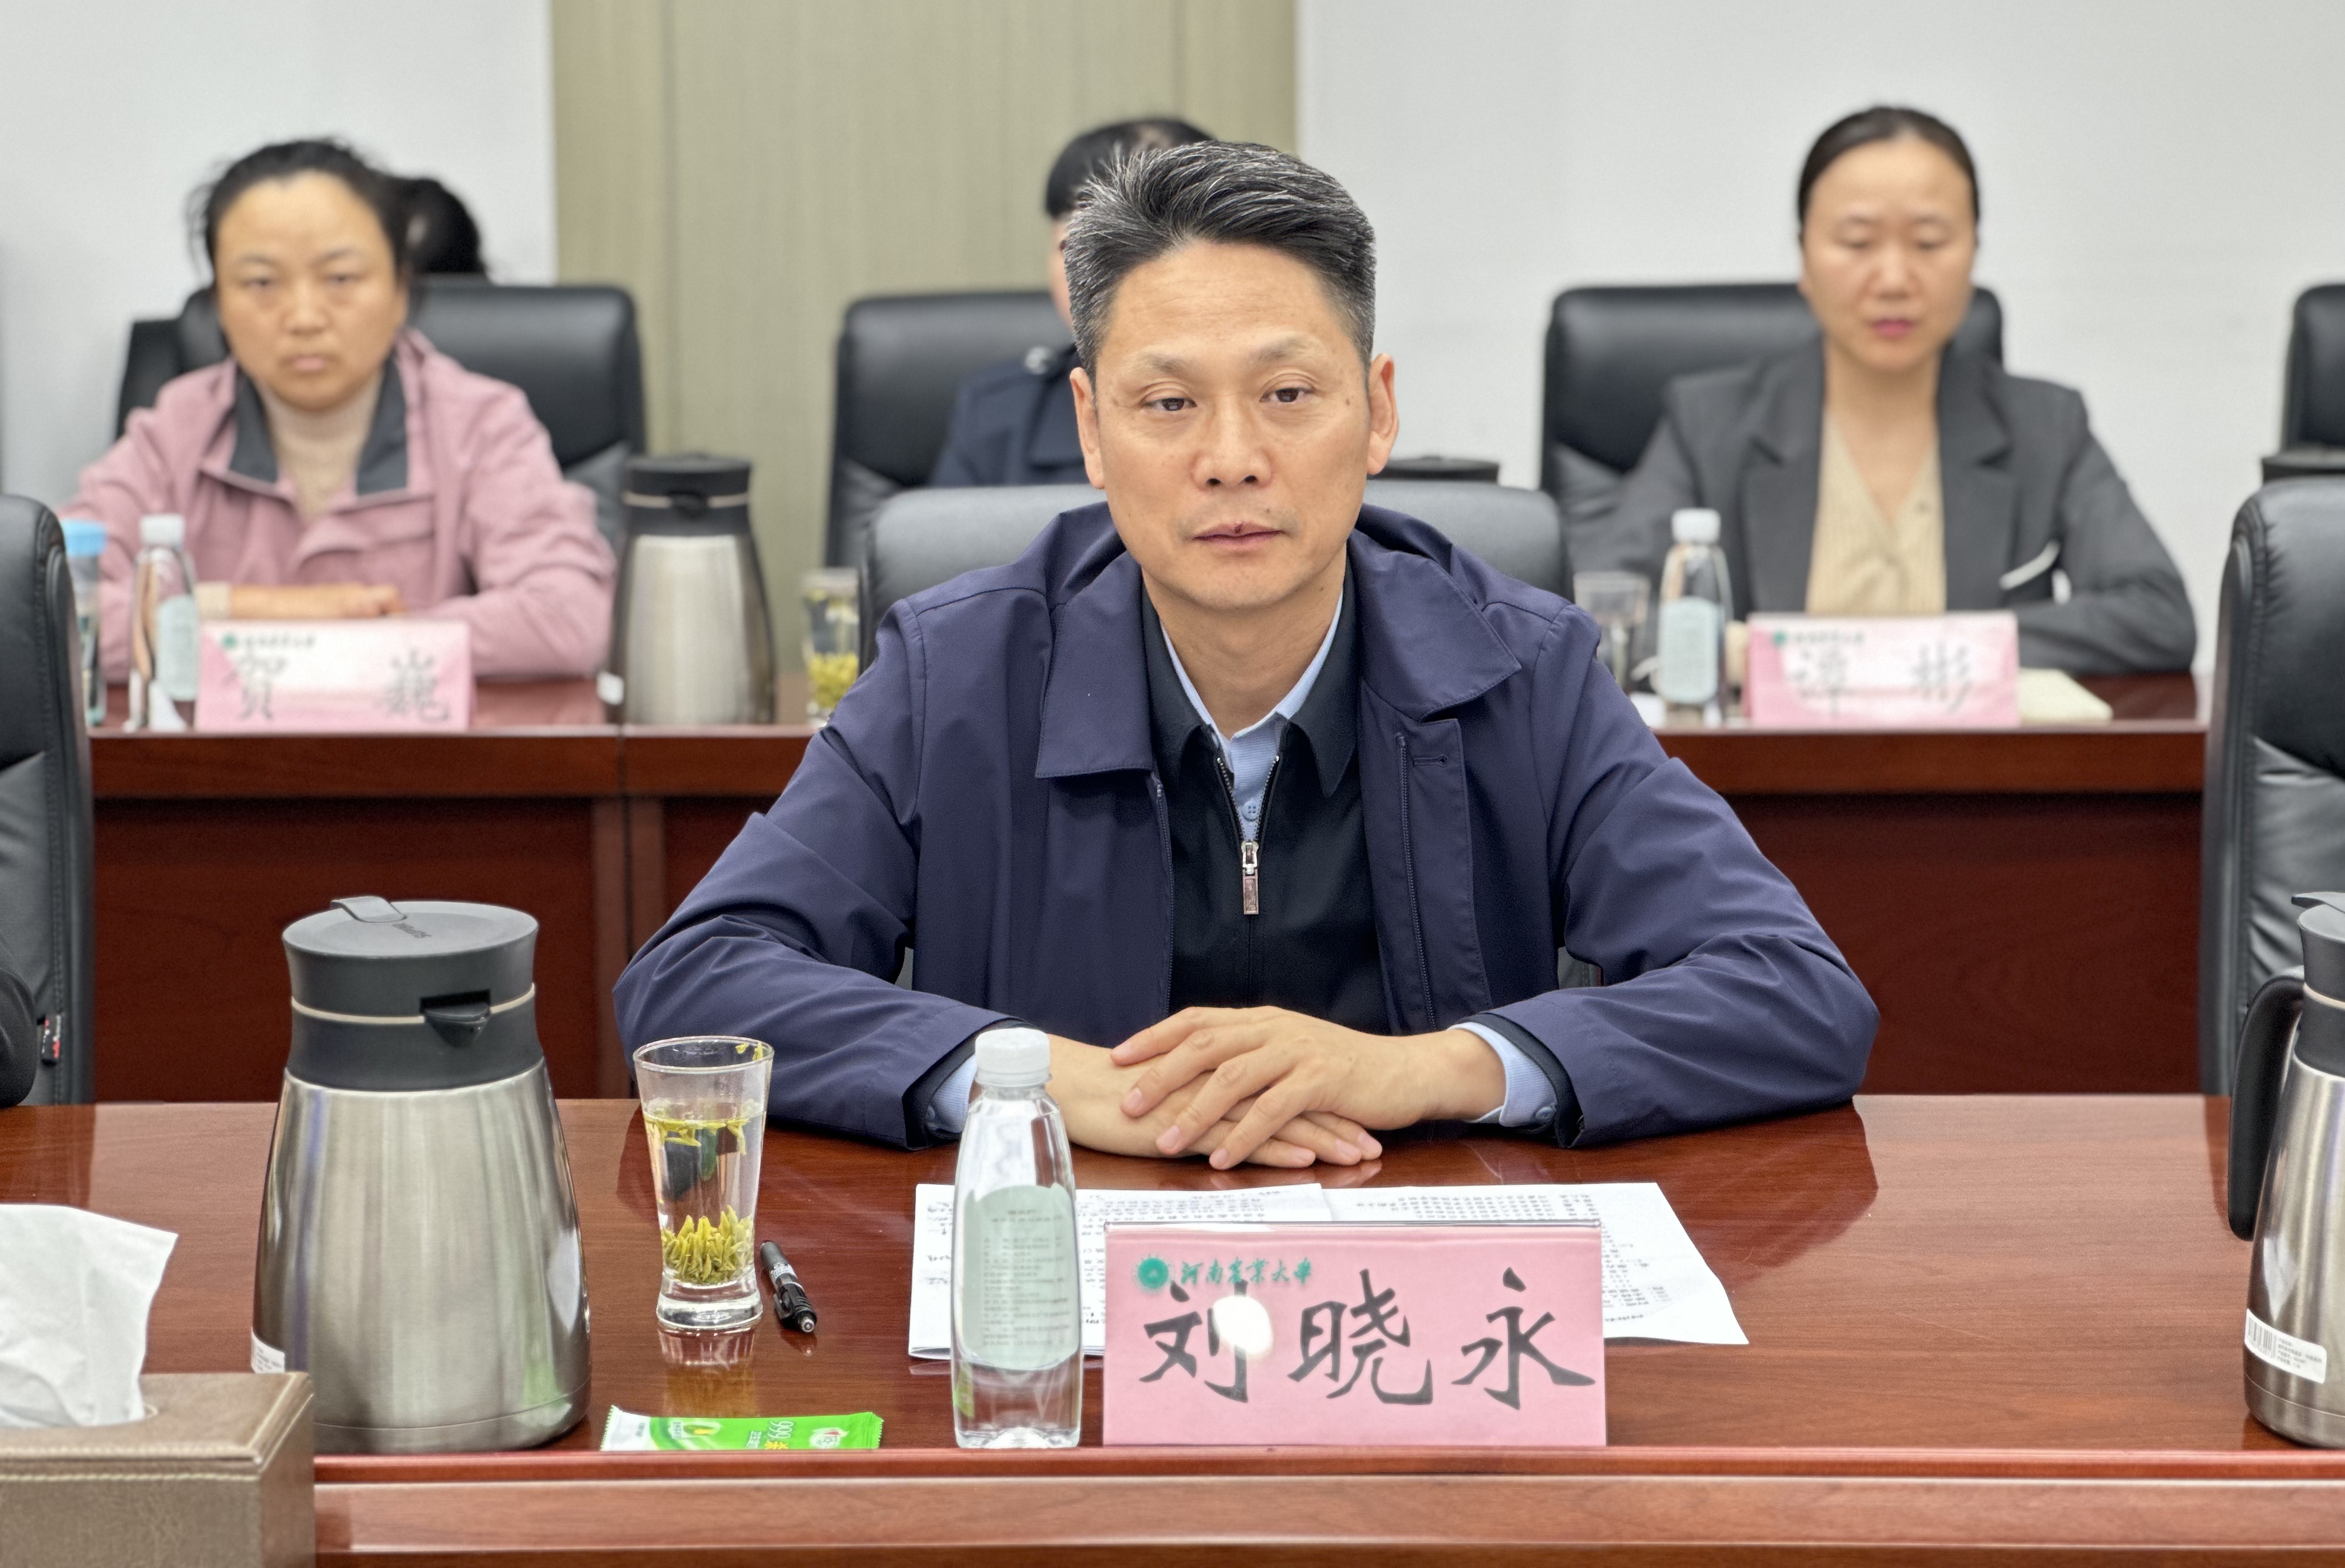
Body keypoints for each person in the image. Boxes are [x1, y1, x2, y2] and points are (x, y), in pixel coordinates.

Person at [617, 141, 1876, 1165]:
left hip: (1413, 1296)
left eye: (1287, 394)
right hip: (1067, 1292)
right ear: (1091, 430)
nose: (1230, 458)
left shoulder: (1518, 668)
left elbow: (1794, 990)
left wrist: (1426, 1070)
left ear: (1377, 411)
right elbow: (693, 985)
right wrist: (1047, 1083)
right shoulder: (961, 670)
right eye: (1168, 403)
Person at [1582, 106, 2194, 674]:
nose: (1895, 279)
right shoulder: (1710, 423)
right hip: (1769, 758)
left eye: (1929, 243)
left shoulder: (2045, 426)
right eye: (1857, 242)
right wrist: (1745, 656)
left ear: (1974, 252)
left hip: (1975, 757)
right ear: (1804, 256)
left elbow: (2158, 615)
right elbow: (1600, 619)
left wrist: (1923, 653)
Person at [63, 138, 613, 679]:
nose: (304, 317)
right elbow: (47, 609)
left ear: (400, 290)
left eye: (341, 278)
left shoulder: (480, 423)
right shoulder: (179, 427)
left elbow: (568, 616)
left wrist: (333, 642)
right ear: (218, 306)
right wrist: (265, 610)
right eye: (261, 282)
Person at [928, 116, 1213, 487]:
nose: (1102, 274)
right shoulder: (996, 414)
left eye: (1142, 246)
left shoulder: (1280, 398)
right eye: (1075, 247)